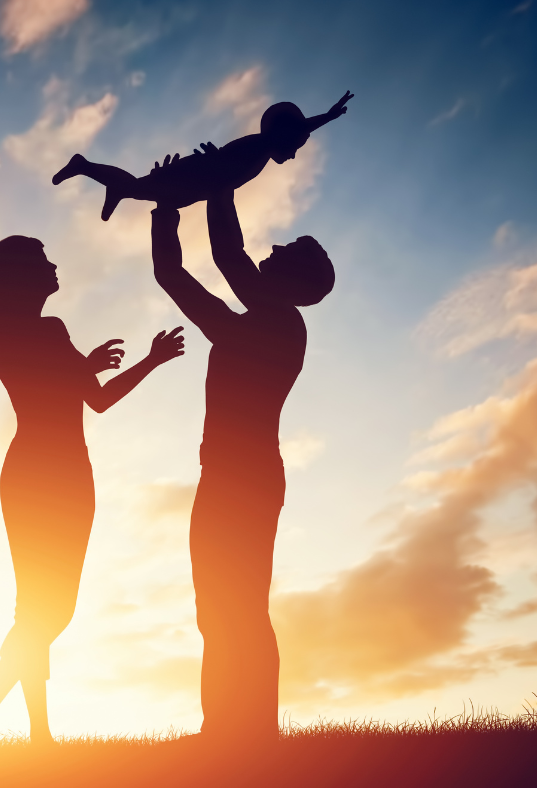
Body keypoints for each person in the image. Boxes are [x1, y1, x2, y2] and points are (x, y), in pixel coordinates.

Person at [0, 235, 185, 746]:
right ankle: (7, 718)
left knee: (45, 608)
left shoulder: (50, 331)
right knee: (45, 609)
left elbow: (96, 399)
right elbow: (64, 386)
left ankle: (12, 722)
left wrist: (149, 360)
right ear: (19, 277)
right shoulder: (2, 335)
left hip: (70, 476)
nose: (54, 264)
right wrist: (87, 365)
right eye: (42, 260)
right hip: (37, 475)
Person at [149, 183, 334, 748]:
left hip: (243, 481)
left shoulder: (274, 326)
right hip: (233, 477)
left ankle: (250, 733)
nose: (270, 250)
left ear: (292, 281)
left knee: (241, 608)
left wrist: (216, 187)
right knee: (221, 608)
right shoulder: (267, 318)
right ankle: (227, 730)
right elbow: (201, 269)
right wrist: (177, 208)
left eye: (283, 252)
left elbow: (207, 267)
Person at [52, 91, 352, 221]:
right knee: (141, 188)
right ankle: (86, 167)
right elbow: (225, 164)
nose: (294, 156)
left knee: (146, 192)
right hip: (196, 175)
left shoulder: (259, 150)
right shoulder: (260, 145)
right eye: (296, 147)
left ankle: (111, 186)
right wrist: (327, 117)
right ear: (285, 136)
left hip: (199, 182)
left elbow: (226, 171)